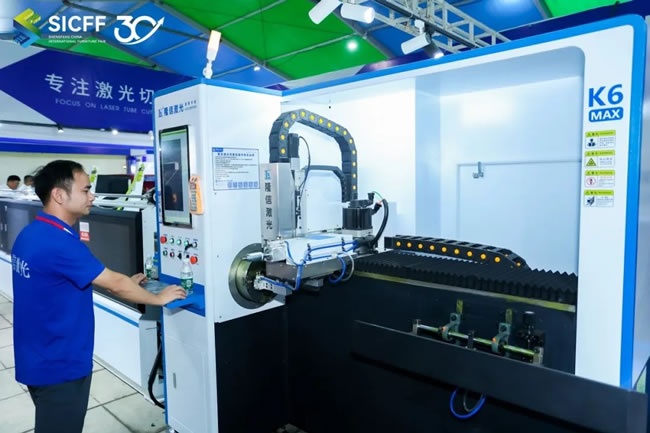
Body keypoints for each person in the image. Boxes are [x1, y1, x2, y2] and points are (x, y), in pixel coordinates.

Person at [11, 160, 187, 433]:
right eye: (85, 190)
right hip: (60, 364)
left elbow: (61, 282)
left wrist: (129, 284)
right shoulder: (58, 242)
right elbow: (114, 284)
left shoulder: (32, 233)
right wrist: (159, 298)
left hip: (36, 355)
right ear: (59, 195)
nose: (92, 196)